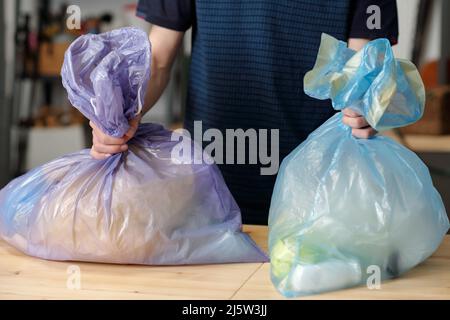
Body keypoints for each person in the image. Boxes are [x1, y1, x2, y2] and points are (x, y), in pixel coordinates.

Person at [89, 0, 398, 224]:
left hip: (317, 193)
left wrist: (365, 104)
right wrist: (125, 108)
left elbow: (362, 70)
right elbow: (157, 59)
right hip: (210, 190)